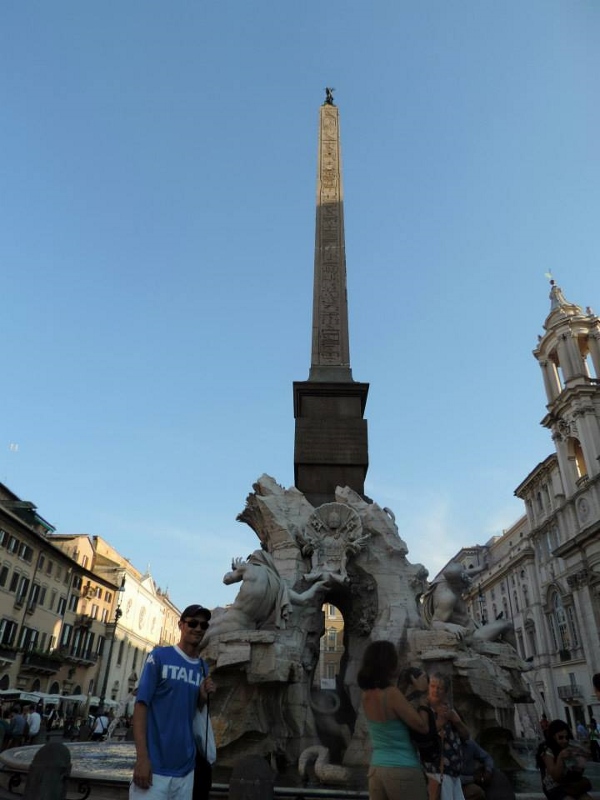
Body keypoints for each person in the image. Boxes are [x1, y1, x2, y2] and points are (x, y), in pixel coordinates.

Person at [130, 603, 215, 800]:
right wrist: (142, 758)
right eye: (193, 623)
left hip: (186, 769)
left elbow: (192, 712)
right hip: (155, 768)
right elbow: (141, 705)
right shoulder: (159, 656)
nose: (198, 629)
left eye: (204, 625)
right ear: (181, 625)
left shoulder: (203, 667)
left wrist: (202, 696)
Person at [357, 640, 428, 800]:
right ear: (389, 663)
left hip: (376, 770)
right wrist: (422, 693)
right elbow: (422, 726)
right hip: (402, 769)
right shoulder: (391, 694)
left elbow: (392, 711)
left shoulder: (366, 695)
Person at [423, 673, 470, 800]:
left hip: (454, 771)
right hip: (438, 771)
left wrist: (457, 721)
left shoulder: (449, 710)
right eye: (432, 686)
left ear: (446, 692)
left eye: (440, 688)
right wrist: (442, 721)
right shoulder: (424, 710)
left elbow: (467, 736)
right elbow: (424, 736)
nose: (435, 690)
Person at [535, 718, 592, 800]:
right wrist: (560, 757)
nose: (565, 740)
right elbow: (556, 777)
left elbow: (576, 774)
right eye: (561, 737)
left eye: (567, 737)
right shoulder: (547, 750)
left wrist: (581, 760)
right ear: (553, 737)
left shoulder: (569, 747)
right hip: (554, 787)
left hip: (570, 786)